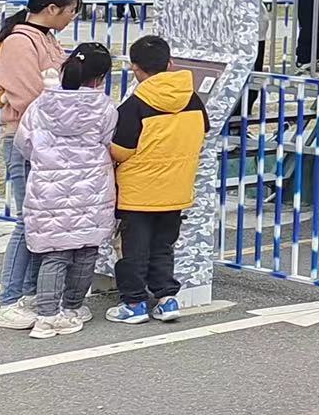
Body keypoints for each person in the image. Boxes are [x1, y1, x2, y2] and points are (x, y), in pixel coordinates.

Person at [0, 0, 81, 330]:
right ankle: (8, 301)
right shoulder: (20, 42)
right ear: (52, 9)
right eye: (71, 11)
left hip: (49, 140)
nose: (72, 18)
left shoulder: (47, 39)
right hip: (27, 139)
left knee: (41, 221)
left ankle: (28, 293)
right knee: (29, 220)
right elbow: (30, 97)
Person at [13, 42, 119, 339]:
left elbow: (24, 143)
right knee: (86, 251)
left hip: (48, 190)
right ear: (101, 77)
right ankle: (73, 307)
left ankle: (47, 316)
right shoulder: (105, 107)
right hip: (92, 190)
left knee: (54, 253)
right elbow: (110, 144)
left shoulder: (41, 104)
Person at [107, 35, 209, 324]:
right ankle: (166, 298)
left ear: (135, 68)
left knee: (133, 251)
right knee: (164, 247)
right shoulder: (193, 99)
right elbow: (203, 132)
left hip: (138, 194)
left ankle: (134, 302)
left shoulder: (134, 105)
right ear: (170, 63)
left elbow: (121, 150)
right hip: (176, 190)